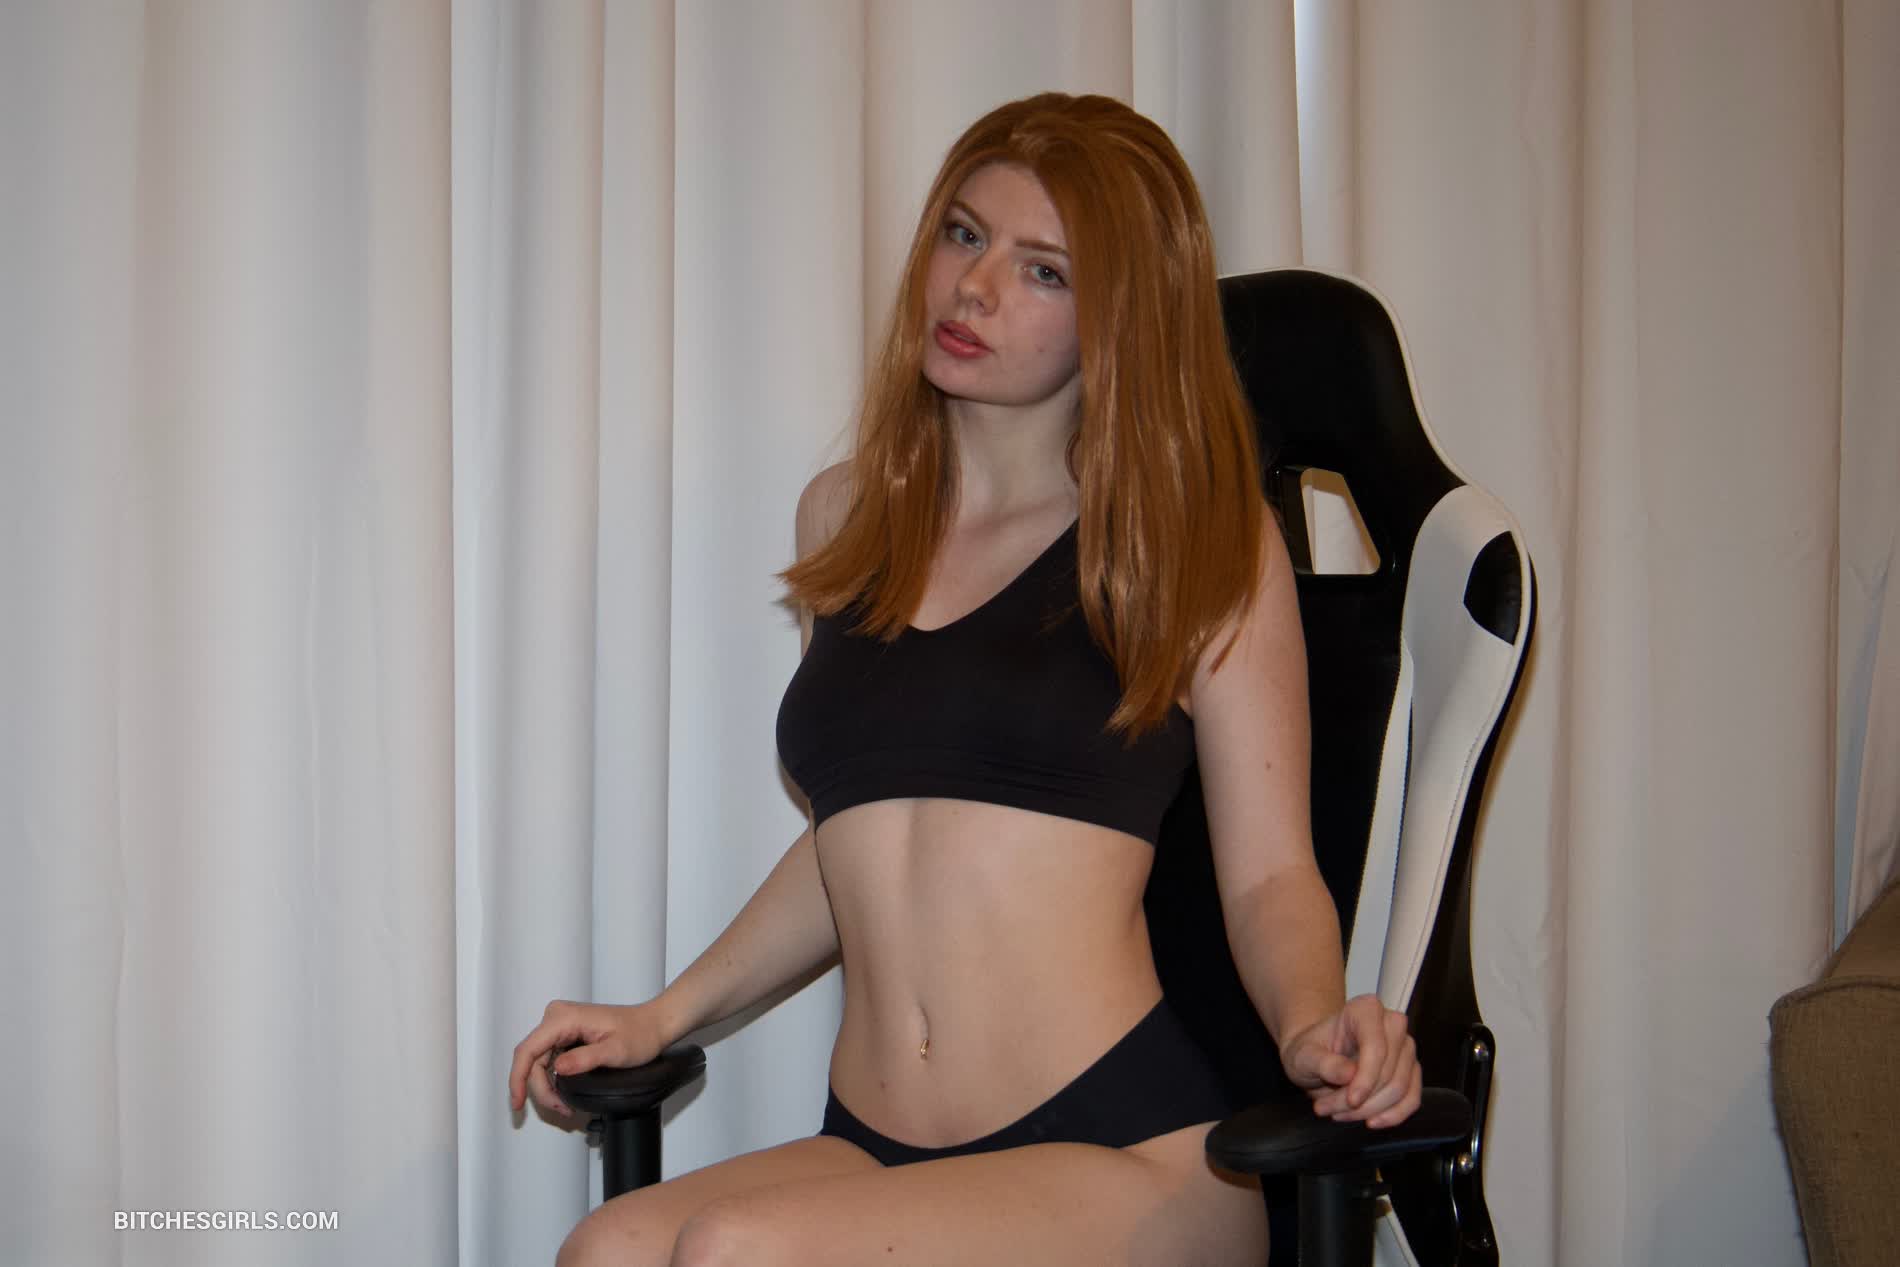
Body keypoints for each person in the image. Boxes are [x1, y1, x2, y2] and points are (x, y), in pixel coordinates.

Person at [509, 92, 1420, 1266]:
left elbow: (1269, 875)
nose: (975, 287)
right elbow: (858, 840)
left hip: (1126, 1153)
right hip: (874, 1145)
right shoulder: (847, 519)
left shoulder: (1189, 540)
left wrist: (1309, 1026)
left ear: (1121, 318)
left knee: (739, 1250)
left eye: (1044, 270)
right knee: (605, 1249)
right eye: (963, 234)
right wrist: (663, 1014)